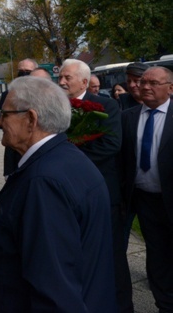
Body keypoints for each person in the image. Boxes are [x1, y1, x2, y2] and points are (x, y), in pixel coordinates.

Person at [0, 76, 116, 312]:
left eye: (4, 114)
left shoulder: (43, 182)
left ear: (31, 119)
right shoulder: (66, 159)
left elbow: (53, 288)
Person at [58, 58, 131, 312]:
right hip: (64, 194)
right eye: (61, 77)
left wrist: (68, 160)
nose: (62, 81)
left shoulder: (106, 106)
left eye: (68, 77)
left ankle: (121, 306)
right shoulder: (55, 107)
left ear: (85, 82)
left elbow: (110, 145)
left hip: (101, 193)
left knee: (111, 257)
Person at [118, 66, 173, 312]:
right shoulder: (128, 117)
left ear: (170, 88)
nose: (145, 87)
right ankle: (164, 304)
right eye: (143, 83)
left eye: (154, 83)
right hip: (144, 202)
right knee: (157, 256)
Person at [0, 58, 39, 176]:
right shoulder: (8, 94)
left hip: (36, 150)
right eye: (21, 71)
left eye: (27, 71)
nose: (24, 74)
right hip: (14, 153)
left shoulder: (43, 95)